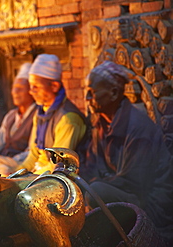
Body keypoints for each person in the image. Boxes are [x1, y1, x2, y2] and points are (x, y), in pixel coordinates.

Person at [84, 60, 173, 243]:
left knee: (95, 191)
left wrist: (92, 183)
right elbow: (91, 166)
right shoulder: (100, 125)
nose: (86, 98)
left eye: (91, 92)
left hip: (152, 205)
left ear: (114, 93)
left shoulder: (139, 129)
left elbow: (133, 184)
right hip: (122, 190)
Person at [17, 54, 88, 174]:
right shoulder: (40, 113)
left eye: (36, 87)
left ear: (54, 86)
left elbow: (56, 166)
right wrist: (14, 175)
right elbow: (33, 156)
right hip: (38, 173)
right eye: (30, 86)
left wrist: (26, 179)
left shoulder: (68, 118)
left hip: (58, 179)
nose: (31, 91)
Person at [0, 63, 36, 176]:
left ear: (30, 92)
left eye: (20, 89)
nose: (15, 93)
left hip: (20, 162)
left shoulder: (37, 115)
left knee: (0, 169)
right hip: (1, 160)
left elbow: (32, 151)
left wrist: (6, 161)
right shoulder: (11, 116)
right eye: (14, 89)